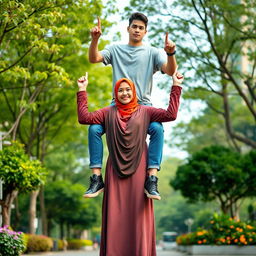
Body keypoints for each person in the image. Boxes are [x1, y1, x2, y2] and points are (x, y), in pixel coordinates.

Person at [76, 68, 183, 256]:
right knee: (115, 215)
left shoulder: (146, 111)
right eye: (120, 90)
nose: (124, 93)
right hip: (115, 167)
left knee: (139, 215)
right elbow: (84, 118)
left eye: (128, 90)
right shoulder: (108, 112)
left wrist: (176, 86)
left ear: (134, 93)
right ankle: (96, 179)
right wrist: (82, 90)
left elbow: (171, 115)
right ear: (115, 94)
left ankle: (152, 181)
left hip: (140, 167)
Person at [85, 12, 177, 199]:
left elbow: (170, 70)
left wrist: (170, 53)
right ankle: (96, 178)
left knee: (157, 130)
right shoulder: (116, 49)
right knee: (94, 128)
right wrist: (95, 40)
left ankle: (152, 179)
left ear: (145, 32)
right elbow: (94, 58)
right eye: (134, 26)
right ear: (128, 29)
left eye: (141, 28)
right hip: (116, 107)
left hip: (143, 108)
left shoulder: (152, 52)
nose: (137, 30)